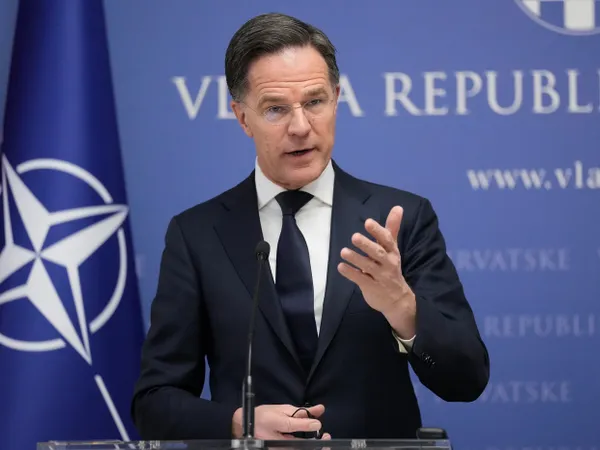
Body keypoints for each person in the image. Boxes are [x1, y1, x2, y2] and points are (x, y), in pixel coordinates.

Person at [131, 12, 490, 441]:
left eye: (315, 102)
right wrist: (238, 424)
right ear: (242, 117)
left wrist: (402, 306)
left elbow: (467, 380)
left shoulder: (401, 219)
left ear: (336, 99)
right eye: (275, 109)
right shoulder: (197, 235)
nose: (300, 127)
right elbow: (154, 401)